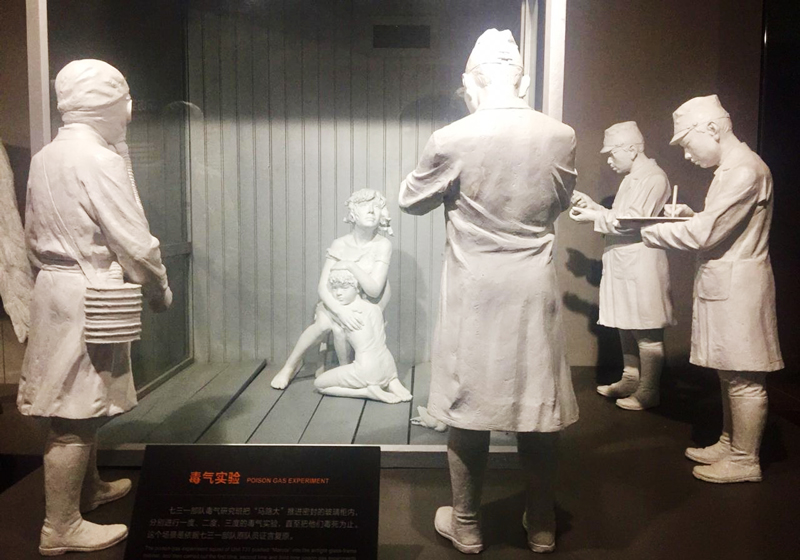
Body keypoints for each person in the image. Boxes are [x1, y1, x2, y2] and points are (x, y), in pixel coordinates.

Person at [399, 29, 579, 554]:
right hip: (532, 287)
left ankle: (467, 523)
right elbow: (561, 200)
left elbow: (411, 199)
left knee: (467, 408)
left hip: (475, 289)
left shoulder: (453, 137)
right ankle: (541, 523)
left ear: (470, 81)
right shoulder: (559, 135)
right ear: (521, 79)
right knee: (538, 410)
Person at [18, 59, 172, 554]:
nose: (129, 113)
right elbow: (134, 242)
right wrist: (158, 287)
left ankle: (88, 490)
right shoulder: (98, 160)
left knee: (82, 402)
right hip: (88, 291)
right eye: (124, 101)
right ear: (107, 104)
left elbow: (31, 233)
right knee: (73, 416)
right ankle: (60, 525)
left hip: (56, 287)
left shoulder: (47, 155)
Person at [636, 94, 783, 483]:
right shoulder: (733, 169)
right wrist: (692, 215)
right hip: (728, 285)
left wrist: (648, 231)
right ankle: (730, 442)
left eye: (687, 143)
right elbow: (718, 223)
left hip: (740, 289)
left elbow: (705, 234)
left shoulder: (744, 171)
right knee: (729, 372)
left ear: (713, 129)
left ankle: (744, 459)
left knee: (745, 377)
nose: (686, 155)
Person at [569, 121, 674, 410]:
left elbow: (632, 223)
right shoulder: (632, 178)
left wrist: (594, 216)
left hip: (642, 261)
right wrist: (594, 207)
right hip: (624, 260)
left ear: (631, 149)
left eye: (612, 153)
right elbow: (621, 215)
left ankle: (649, 389)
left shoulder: (654, 178)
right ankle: (631, 378)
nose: (609, 159)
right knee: (625, 323)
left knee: (646, 327)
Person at [271, 188, 393, 390]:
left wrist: (351, 266)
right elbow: (322, 287)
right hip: (335, 301)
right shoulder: (340, 244)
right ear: (353, 213)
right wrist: (340, 311)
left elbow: (374, 290)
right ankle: (290, 366)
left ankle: (344, 372)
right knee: (323, 325)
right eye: (364, 205)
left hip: (365, 305)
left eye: (376, 207)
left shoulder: (382, 245)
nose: (371, 211)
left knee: (342, 328)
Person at [313, 266, 411, 404]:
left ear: (357, 287)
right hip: (388, 364)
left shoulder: (345, 313)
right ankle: (392, 381)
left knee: (319, 384)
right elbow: (386, 291)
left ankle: (366, 391)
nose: (338, 293)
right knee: (380, 363)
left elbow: (325, 316)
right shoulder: (375, 307)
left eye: (344, 288)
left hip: (367, 368)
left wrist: (320, 308)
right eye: (334, 288)